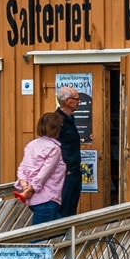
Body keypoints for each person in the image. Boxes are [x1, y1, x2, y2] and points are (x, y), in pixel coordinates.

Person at [17, 112, 67, 225]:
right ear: (56, 128)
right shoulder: (54, 149)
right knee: (38, 239)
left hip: (33, 198)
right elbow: (44, 173)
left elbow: (22, 168)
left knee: (62, 230)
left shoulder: (31, 145)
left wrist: (25, 186)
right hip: (47, 197)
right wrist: (31, 189)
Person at [55, 86, 83, 218]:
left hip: (74, 172)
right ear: (67, 101)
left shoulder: (71, 119)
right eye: (77, 99)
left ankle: (68, 237)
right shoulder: (56, 121)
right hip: (64, 174)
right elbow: (52, 147)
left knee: (71, 210)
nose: (79, 102)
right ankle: (58, 238)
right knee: (63, 210)